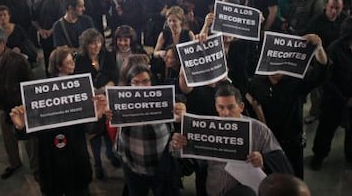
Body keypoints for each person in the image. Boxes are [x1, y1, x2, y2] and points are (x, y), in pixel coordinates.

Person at [9, 47, 108, 195]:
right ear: (58, 66)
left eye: (72, 61)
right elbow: (26, 135)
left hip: (77, 162)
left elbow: (91, 129)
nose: (73, 64)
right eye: (68, 62)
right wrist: (20, 126)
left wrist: (99, 116)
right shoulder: (39, 92)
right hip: (50, 164)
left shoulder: (81, 89)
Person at [172, 82, 292, 196]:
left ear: (241, 106)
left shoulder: (259, 129)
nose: (225, 113)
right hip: (214, 191)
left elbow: (280, 158)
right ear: (215, 107)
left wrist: (263, 160)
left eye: (231, 107)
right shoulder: (207, 127)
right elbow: (189, 160)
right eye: (221, 107)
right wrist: (178, 145)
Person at [247, 34, 328, 179]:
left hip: (292, 143)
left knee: (294, 179)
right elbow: (253, 104)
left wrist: (319, 49)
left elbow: (321, 72)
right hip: (268, 144)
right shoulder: (256, 83)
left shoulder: (296, 81)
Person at [106, 64, 185, 196]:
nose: (141, 86)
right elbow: (112, 123)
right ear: (129, 84)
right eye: (136, 82)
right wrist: (109, 113)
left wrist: (181, 112)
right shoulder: (121, 100)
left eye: (145, 81)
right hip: (132, 164)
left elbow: (177, 117)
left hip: (161, 164)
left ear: (151, 81)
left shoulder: (164, 98)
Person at [0, 26, 38, 180]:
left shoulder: (19, 60)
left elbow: (30, 84)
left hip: (20, 106)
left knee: (28, 139)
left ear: (3, 42)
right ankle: (14, 163)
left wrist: (27, 107)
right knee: (8, 138)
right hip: (1, 106)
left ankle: (35, 167)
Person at [74, 28, 119, 179]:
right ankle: (98, 163)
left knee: (107, 129)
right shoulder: (79, 60)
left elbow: (115, 74)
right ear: (85, 45)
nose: (97, 46)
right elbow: (79, 82)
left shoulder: (108, 55)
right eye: (92, 43)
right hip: (91, 101)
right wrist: (94, 92)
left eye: (99, 42)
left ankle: (111, 154)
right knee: (95, 132)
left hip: (107, 96)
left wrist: (106, 88)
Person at [311, 16, 352, 170]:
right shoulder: (335, 49)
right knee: (326, 130)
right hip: (334, 100)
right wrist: (345, 100)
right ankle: (319, 156)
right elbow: (327, 80)